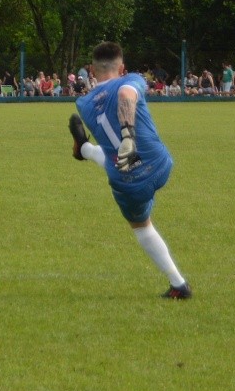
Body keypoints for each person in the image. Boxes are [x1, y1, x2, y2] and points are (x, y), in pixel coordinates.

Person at [68, 40, 192, 299]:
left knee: (142, 226)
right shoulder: (132, 78)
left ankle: (179, 285)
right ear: (121, 67)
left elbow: (121, 98)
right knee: (121, 156)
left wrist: (125, 137)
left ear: (91, 69)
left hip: (129, 181)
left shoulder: (84, 104)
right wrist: (129, 134)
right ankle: (86, 150)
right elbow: (126, 93)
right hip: (160, 165)